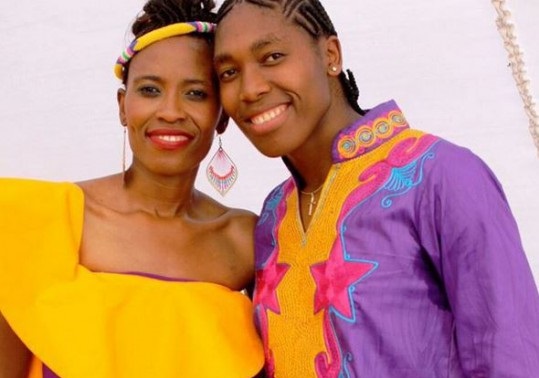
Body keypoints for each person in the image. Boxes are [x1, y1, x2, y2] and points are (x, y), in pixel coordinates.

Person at [213, 0, 539, 377]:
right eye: (228, 72)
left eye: (272, 56)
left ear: (330, 55)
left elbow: (512, 357)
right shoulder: (272, 216)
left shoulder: (441, 176)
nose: (249, 88)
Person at [0, 0, 264, 377]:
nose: (170, 111)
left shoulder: (247, 241)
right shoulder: (37, 220)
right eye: (150, 90)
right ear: (123, 106)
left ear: (222, 116)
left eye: (196, 93)